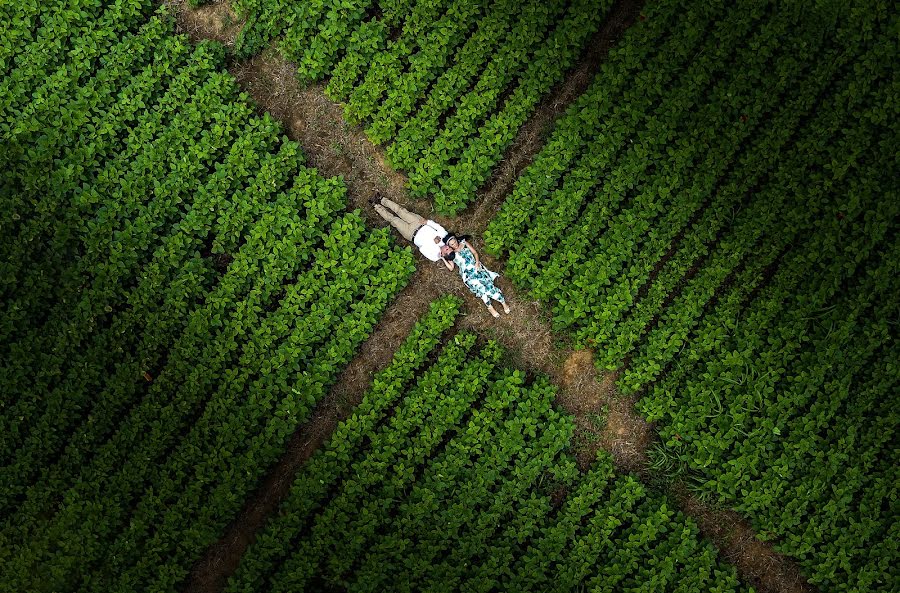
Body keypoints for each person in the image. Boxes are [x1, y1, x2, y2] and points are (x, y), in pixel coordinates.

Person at [442, 234, 510, 318]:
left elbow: (475, 253)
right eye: (452, 244)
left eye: (455, 241)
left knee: (488, 286)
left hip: (477, 269)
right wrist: (443, 259)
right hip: (468, 276)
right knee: (482, 288)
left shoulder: (464, 243)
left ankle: (491, 306)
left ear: (456, 239)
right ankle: (501, 302)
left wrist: (477, 262)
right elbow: (451, 268)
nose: (455, 244)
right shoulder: (451, 254)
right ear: (449, 246)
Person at [370, 194, 448, 263]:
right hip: (419, 223)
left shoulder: (435, 257)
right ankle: (382, 199)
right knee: (400, 210)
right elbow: (438, 227)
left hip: (410, 234)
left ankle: (376, 206)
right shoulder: (445, 239)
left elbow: (422, 249)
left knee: (394, 220)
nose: (447, 247)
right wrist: (427, 222)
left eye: (447, 250)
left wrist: (433, 243)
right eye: (449, 248)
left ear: (443, 254)